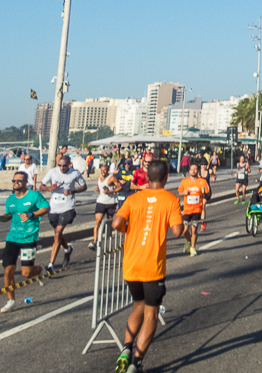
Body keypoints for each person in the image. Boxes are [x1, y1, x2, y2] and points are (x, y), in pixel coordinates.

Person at [112, 160, 183, 373]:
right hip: (153, 267)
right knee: (151, 315)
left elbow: (116, 223)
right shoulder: (171, 200)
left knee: (138, 306)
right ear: (166, 178)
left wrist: (129, 230)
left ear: (148, 178)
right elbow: (178, 230)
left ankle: (126, 348)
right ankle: (136, 362)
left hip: (131, 264)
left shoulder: (134, 199)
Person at [0, 171, 49, 312]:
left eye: (19, 181)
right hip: (12, 238)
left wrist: (32, 214)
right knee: (8, 271)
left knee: (26, 273)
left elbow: (46, 208)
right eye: (14, 180)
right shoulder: (10, 199)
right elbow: (8, 216)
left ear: (26, 182)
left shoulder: (34, 196)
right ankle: (11, 301)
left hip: (29, 238)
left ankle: (40, 269)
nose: (15, 183)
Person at [40, 153, 87, 272]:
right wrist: (49, 188)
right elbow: (41, 186)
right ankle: (67, 249)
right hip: (53, 207)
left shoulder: (75, 173)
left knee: (57, 235)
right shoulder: (52, 172)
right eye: (60, 165)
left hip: (67, 207)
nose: (62, 168)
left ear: (69, 164)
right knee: (58, 234)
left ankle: (51, 265)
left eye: (64, 166)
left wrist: (73, 191)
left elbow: (84, 186)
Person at [177, 163, 211, 256]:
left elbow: (208, 194)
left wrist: (204, 193)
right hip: (187, 209)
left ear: (198, 171)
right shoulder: (184, 181)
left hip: (197, 209)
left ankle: (192, 248)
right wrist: (184, 192)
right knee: (184, 230)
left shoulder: (202, 182)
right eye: (192, 169)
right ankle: (188, 241)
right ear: (189, 171)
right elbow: (179, 192)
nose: (193, 171)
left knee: (194, 230)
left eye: (195, 169)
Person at [89, 163, 123, 250]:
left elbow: (120, 187)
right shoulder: (99, 178)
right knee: (98, 221)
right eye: (102, 170)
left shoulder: (112, 178)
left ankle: (108, 240)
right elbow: (99, 186)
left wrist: (110, 192)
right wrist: (96, 189)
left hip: (111, 202)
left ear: (107, 170)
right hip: (101, 202)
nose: (103, 172)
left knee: (109, 223)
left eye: (105, 170)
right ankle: (95, 242)